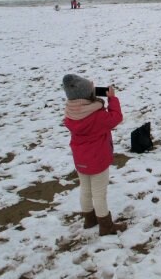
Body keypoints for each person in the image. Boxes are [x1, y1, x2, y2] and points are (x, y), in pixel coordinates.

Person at [62, 74, 127, 236]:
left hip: (81, 159)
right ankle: (106, 226)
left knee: (85, 189)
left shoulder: (71, 114)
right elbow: (116, 118)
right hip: (98, 160)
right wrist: (112, 99)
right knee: (99, 194)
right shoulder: (97, 116)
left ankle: (89, 219)